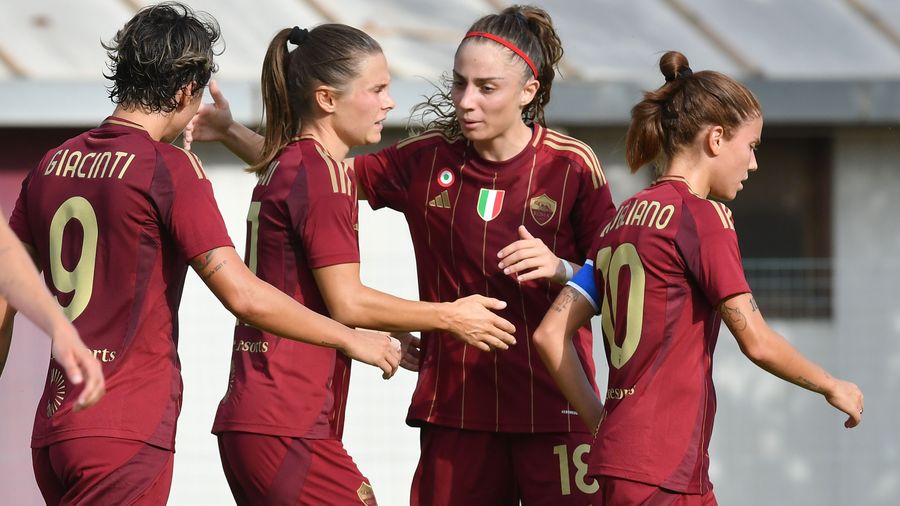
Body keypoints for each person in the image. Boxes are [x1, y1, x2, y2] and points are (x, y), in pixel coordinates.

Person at [186, 5, 616, 504]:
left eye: (486, 87)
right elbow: (311, 175)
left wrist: (563, 269)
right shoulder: (427, 157)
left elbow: (621, 276)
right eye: (459, 84)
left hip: (556, 407)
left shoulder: (572, 165)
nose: (466, 101)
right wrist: (233, 133)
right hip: (455, 412)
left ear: (528, 91)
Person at [5, 3, 400, 505]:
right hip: (125, 426)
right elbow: (243, 296)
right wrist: (349, 337)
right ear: (187, 89)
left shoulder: (52, 164)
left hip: (53, 431)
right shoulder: (167, 168)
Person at [533, 50, 864, 505]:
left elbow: (551, 333)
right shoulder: (702, 217)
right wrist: (831, 385)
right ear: (716, 138)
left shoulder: (619, 221)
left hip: (632, 462)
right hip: (661, 469)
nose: (754, 164)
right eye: (752, 146)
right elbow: (757, 341)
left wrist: (603, 425)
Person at [210, 24, 517, 506]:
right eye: (376, 90)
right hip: (286, 422)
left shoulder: (294, 164)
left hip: (263, 419)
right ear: (327, 99)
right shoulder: (321, 174)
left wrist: (391, 326)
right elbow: (348, 302)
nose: (389, 103)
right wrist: (450, 316)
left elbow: (312, 292)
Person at [0, 208, 105, 412]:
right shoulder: (159, 189)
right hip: (134, 407)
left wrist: (59, 329)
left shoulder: (36, 189)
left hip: (61, 412)